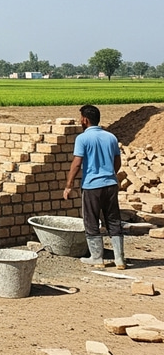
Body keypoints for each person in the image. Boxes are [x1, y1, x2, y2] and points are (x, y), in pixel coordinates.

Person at [63, 104, 125, 269]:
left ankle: (97, 258)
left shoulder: (82, 138)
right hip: (111, 184)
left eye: (80, 118)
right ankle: (120, 260)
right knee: (113, 220)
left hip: (92, 186)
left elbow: (77, 164)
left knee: (91, 220)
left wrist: (69, 185)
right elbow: (117, 162)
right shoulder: (111, 137)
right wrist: (110, 174)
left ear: (85, 119)